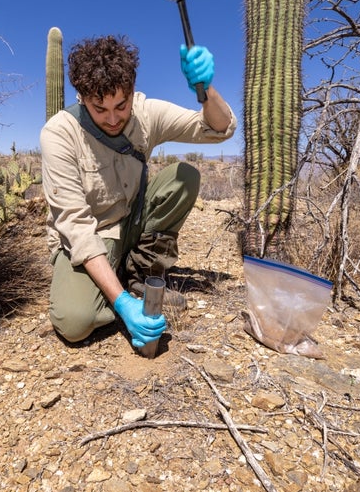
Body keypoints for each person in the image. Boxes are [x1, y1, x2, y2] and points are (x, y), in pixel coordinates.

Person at [39, 35, 237, 348]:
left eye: (122, 104)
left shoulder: (146, 113)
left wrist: (206, 89)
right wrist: (121, 304)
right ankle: (117, 290)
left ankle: (138, 277)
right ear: (81, 96)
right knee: (75, 322)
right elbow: (76, 228)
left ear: (132, 90)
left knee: (183, 177)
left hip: (131, 222)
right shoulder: (59, 133)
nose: (114, 118)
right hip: (92, 234)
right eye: (99, 109)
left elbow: (218, 129)